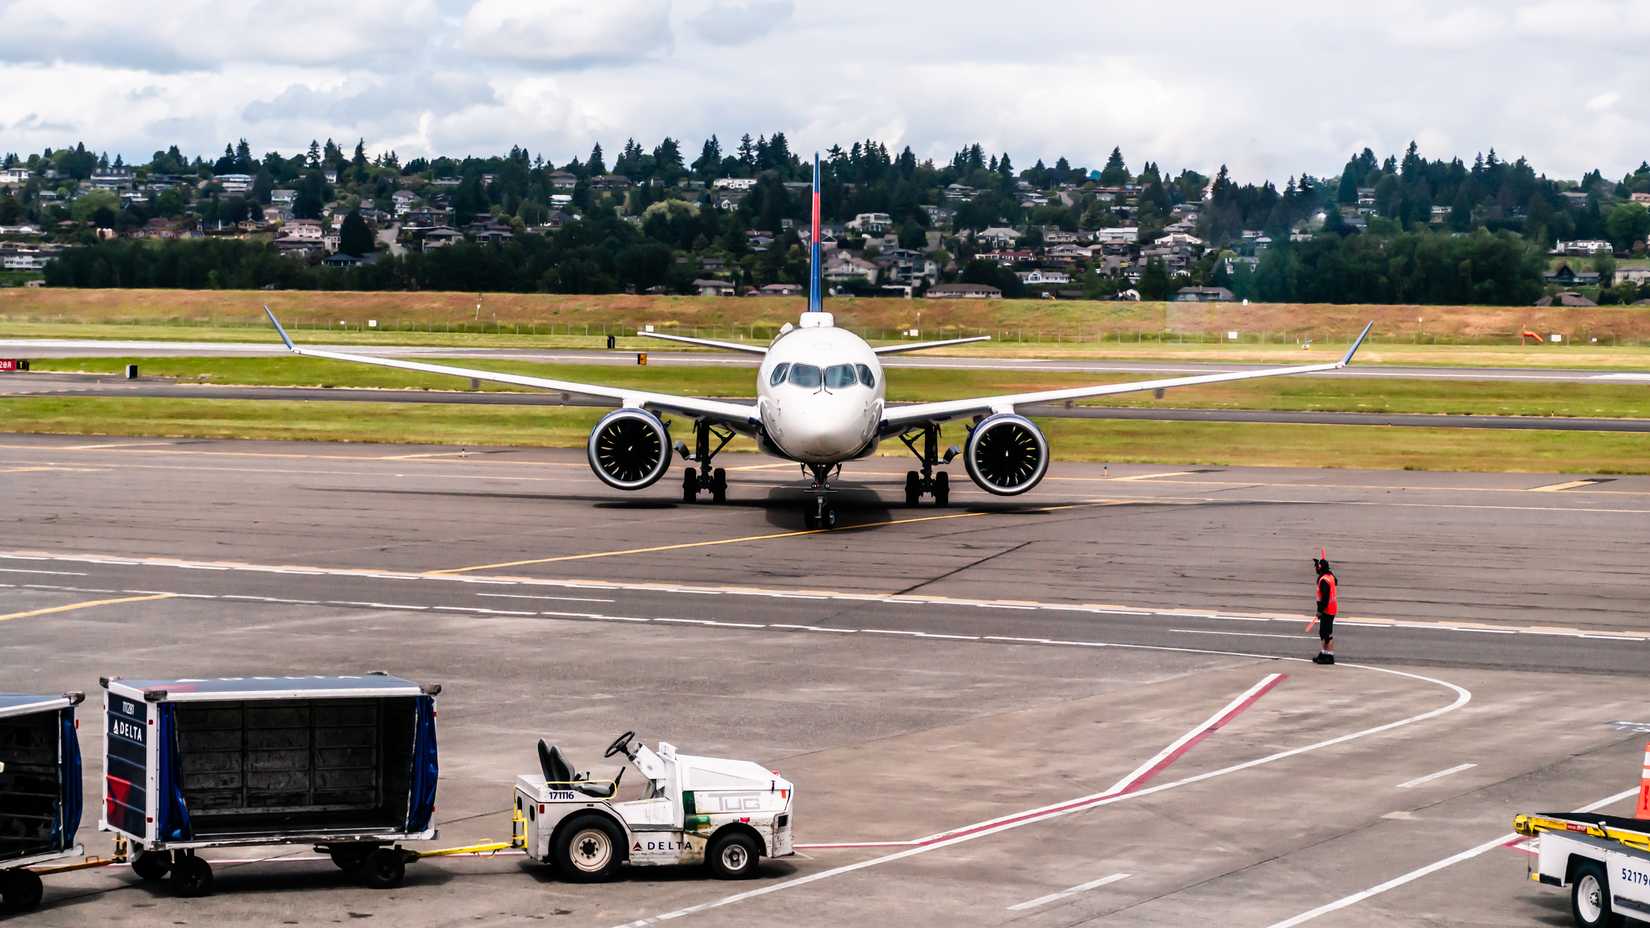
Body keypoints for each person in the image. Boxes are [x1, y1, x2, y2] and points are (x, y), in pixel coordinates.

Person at [1309, 554, 1338, 664]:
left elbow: (1325, 597)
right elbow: (1335, 580)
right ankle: (1324, 653)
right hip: (1331, 608)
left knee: (1326, 634)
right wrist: (1319, 564)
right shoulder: (1330, 576)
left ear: (1321, 568)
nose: (1316, 569)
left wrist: (1320, 611)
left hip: (1327, 609)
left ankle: (1329, 656)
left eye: (1317, 567)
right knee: (1324, 633)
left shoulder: (1323, 580)